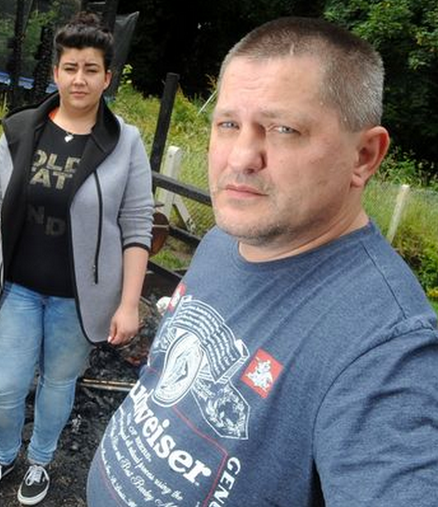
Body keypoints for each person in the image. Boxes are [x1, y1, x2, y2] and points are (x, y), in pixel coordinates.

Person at [87, 16, 438, 507]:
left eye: (284, 129)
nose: (241, 157)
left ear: (364, 155)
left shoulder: (384, 350)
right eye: (229, 124)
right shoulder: (222, 242)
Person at [0, 11, 153, 506]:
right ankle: (2, 454)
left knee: (58, 383)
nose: (79, 78)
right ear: (55, 73)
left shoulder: (125, 143)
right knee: (4, 387)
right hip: (16, 286)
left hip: (78, 298)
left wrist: (129, 304)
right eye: (70, 67)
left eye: (91, 69)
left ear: (107, 78)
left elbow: (136, 227)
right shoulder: (22, 129)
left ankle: (40, 460)